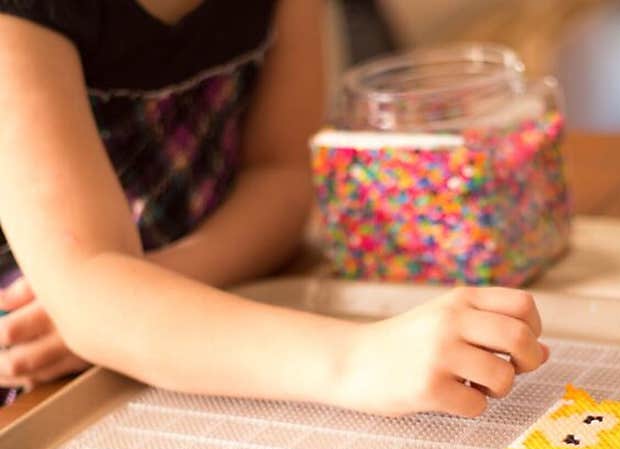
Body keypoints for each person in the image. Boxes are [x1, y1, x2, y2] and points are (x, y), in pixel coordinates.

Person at [0, 0, 548, 417]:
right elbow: (92, 288)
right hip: (28, 375)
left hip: (188, 323)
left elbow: (282, 177)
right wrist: (362, 358)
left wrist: (135, 297)